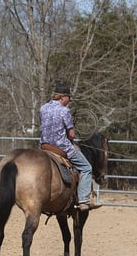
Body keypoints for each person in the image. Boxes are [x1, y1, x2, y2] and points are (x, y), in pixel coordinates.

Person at [40, 83, 101, 211]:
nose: (70, 100)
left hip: (45, 146)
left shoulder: (43, 108)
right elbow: (71, 135)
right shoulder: (64, 110)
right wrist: (71, 124)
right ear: (62, 97)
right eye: (68, 97)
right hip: (62, 147)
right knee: (86, 167)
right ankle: (84, 200)